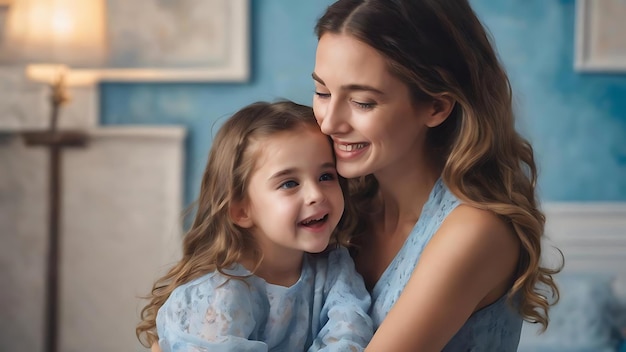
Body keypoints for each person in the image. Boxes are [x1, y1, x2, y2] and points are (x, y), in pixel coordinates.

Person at [311, 0, 562, 351]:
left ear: (436, 106)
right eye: (322, 92)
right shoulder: (339, 203)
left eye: (363, 102)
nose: (329, 121)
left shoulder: (475, 231)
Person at [136, 101, 373, 351]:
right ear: (242, 210)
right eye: (289, 183)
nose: (316, 194)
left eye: (326, 176)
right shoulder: (218, 294)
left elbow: (350, 338)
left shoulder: (334, 270)